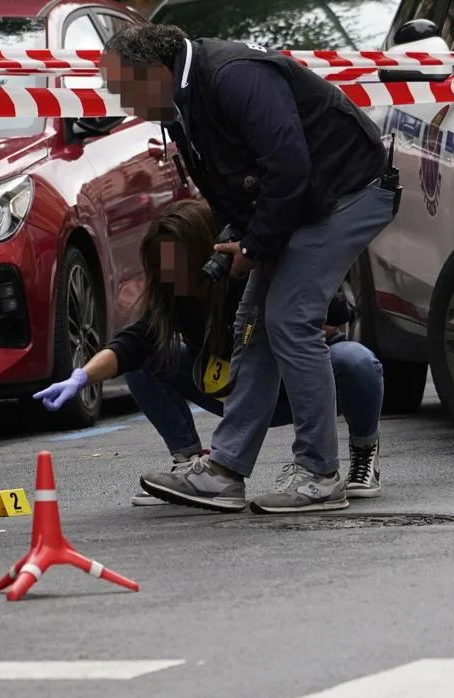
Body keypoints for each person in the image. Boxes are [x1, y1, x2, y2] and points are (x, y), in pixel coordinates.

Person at [97, 24, 398, 514]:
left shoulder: (233, 75)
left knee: (289, 319)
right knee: (252, 325)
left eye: (124, 89)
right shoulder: (183, 102)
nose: (126, 105)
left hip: (349, 192)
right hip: (306, 202)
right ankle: (225, 471)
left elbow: (289, 164)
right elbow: (231, 183)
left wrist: (256, 246)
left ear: (153, 73)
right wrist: (239, 236)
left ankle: (319, 475)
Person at [34, 199, 385, 510]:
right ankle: (189, 463)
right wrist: (82, 377)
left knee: (357, 362)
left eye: (175, 262)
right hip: (233, 392)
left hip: (295, 390)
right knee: (145, 360)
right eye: (161, 265)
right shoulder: (176, 297)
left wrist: (296, 324)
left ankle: (363, 453)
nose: (169, 274)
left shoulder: (248, 275)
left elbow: (338, 310)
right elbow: (131, 344)